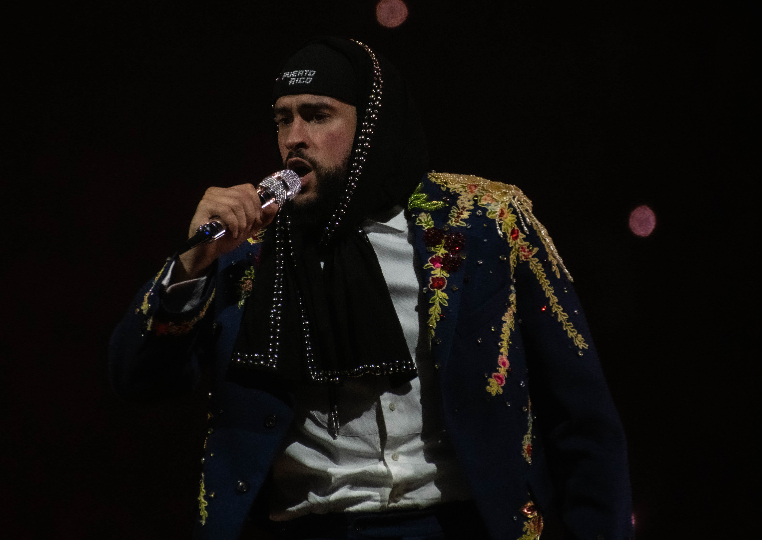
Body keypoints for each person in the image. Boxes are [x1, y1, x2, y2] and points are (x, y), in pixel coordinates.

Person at [109, 37, 633, 540]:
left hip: (457, 524)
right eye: (282, 118)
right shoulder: (247, 246)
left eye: (317, 115)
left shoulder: (483, 222)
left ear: (371, 125)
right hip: (313, 528)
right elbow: (138, 379)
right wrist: (195, 260)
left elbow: (580, 415)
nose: (294, 137)